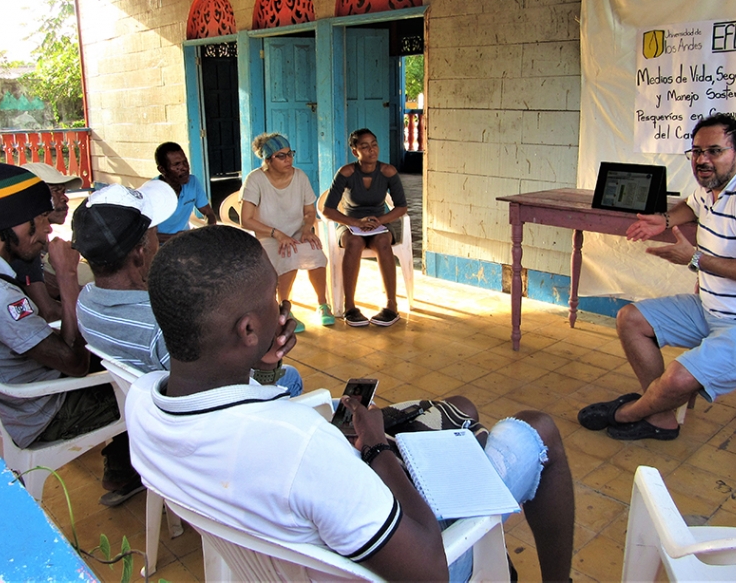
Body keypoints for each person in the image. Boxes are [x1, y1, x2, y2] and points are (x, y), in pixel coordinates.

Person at [127, 226, 574, 582]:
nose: (280, 306)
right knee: (538, 430)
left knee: (459, 409)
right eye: (272, 299)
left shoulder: (144, 405)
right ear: (246, 330)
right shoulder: (301, 445)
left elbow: (257, 438)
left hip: (296, 553)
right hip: (405, 560)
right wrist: (377, 449)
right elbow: (429, 571)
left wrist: (260, 366)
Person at [579, 114, 736, 441]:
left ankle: (627, 412)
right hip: (714, 308)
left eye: (714, 151)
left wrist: (694, 259)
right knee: (630, 319)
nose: (702, 160)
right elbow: (690, 207)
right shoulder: (715, 186)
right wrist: (662, 220)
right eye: (696, 152)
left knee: (677, 380)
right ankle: (660, 416)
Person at [0, 162, 142, 507]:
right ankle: (132, 470)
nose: (45, 232)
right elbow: (74, 362)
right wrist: (68, 275)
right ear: (12, 221)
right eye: (40, 219)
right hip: (42, 413)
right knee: (143, 382)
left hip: (5, 398)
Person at [73, 182, 305, 396]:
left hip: (144, 404)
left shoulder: (85, 302)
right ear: (141, 253)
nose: (158, 242)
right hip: (215, 420)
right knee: (292, 377)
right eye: (155, 234)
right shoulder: (166, 326)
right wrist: (267, 363)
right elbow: (226, 397)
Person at [240, 133, 334, 332]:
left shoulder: (299, 176)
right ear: (267, 160)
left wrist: (307, 229)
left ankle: (323, 304)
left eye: (290, 154)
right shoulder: (255, 179)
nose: (288, 159)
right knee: (288, 254)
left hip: (297, 232)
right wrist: (277, 234)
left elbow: (310, 211)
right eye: (281, 156)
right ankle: (284, 308)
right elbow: (246, 220)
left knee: (316, 252)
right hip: (268, 237)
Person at [323, 129, 406, 327]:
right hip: (351, 226)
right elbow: (328, 210)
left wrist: (380, 220)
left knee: (383, 242)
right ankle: (349, 306)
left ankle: (391, 306)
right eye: (364, 146)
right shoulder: (346, 173)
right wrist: (355, 223)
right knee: (354, 243)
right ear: (355, 151)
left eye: (374, 144)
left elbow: (402, 207)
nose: (371, 150)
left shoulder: (388, 172)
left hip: (379, 224)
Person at [11, 162, 86, 322]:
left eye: (64, 191)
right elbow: (48, 313)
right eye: (55, 191)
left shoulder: (42, 238)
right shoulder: (26, 247)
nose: (65, 198)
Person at [152, 141, 217, 242]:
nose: (185, 168)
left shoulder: (193, 182)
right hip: (160, 247)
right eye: (177, 164)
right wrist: (175, 237)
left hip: (184, 241)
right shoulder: (152, 192)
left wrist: (208, 231)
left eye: (185, 162)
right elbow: (145, 237)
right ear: (162, 169)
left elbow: (209, 213)